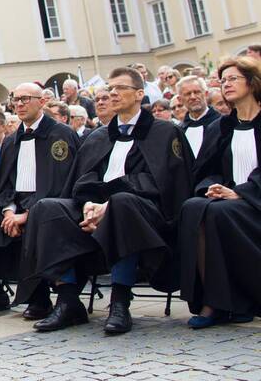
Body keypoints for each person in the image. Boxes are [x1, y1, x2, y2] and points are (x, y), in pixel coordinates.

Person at [22, 66, 191, 335]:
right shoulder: (98, 135)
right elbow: (82, 180)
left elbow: (166, 185)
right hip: (94, 211)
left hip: (143, 215)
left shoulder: (163, 132)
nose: (112, 93)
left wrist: (108, 206)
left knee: (122, 203)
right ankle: (68, 301)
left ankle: (120, 301)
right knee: (48, 207)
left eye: (120, 88)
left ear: (139, 94)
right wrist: (89, 203)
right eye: (109, 88)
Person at [0, 82, 79, 318]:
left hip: (50, 206)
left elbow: (63, 184)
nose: (19, 104)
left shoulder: (61, 134)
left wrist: (27, 215)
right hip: (14, 206)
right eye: (15, 99)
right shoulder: (11, 140)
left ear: (42, 102)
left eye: (25, 98)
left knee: (46, 212)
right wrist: (9, 211)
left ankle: (61, 300)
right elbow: (4, 184)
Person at [177, 55, 260, 328]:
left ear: (251, 81)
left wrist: (243, 193)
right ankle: (213, 301)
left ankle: (227, 303)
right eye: (222, 81)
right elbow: (206, 169)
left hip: (254, 201)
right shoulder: (221, 126)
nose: (226, 85)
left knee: (218, 213)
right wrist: (211, 187)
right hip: (228, 199)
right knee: (194, 206)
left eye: (233, 79)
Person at [177, 76, 222, 164]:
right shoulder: (179, 130)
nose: (193, 97)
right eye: (187, 94)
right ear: (180, 99)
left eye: (197, 92)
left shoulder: (222, 124)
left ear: (205, 94)